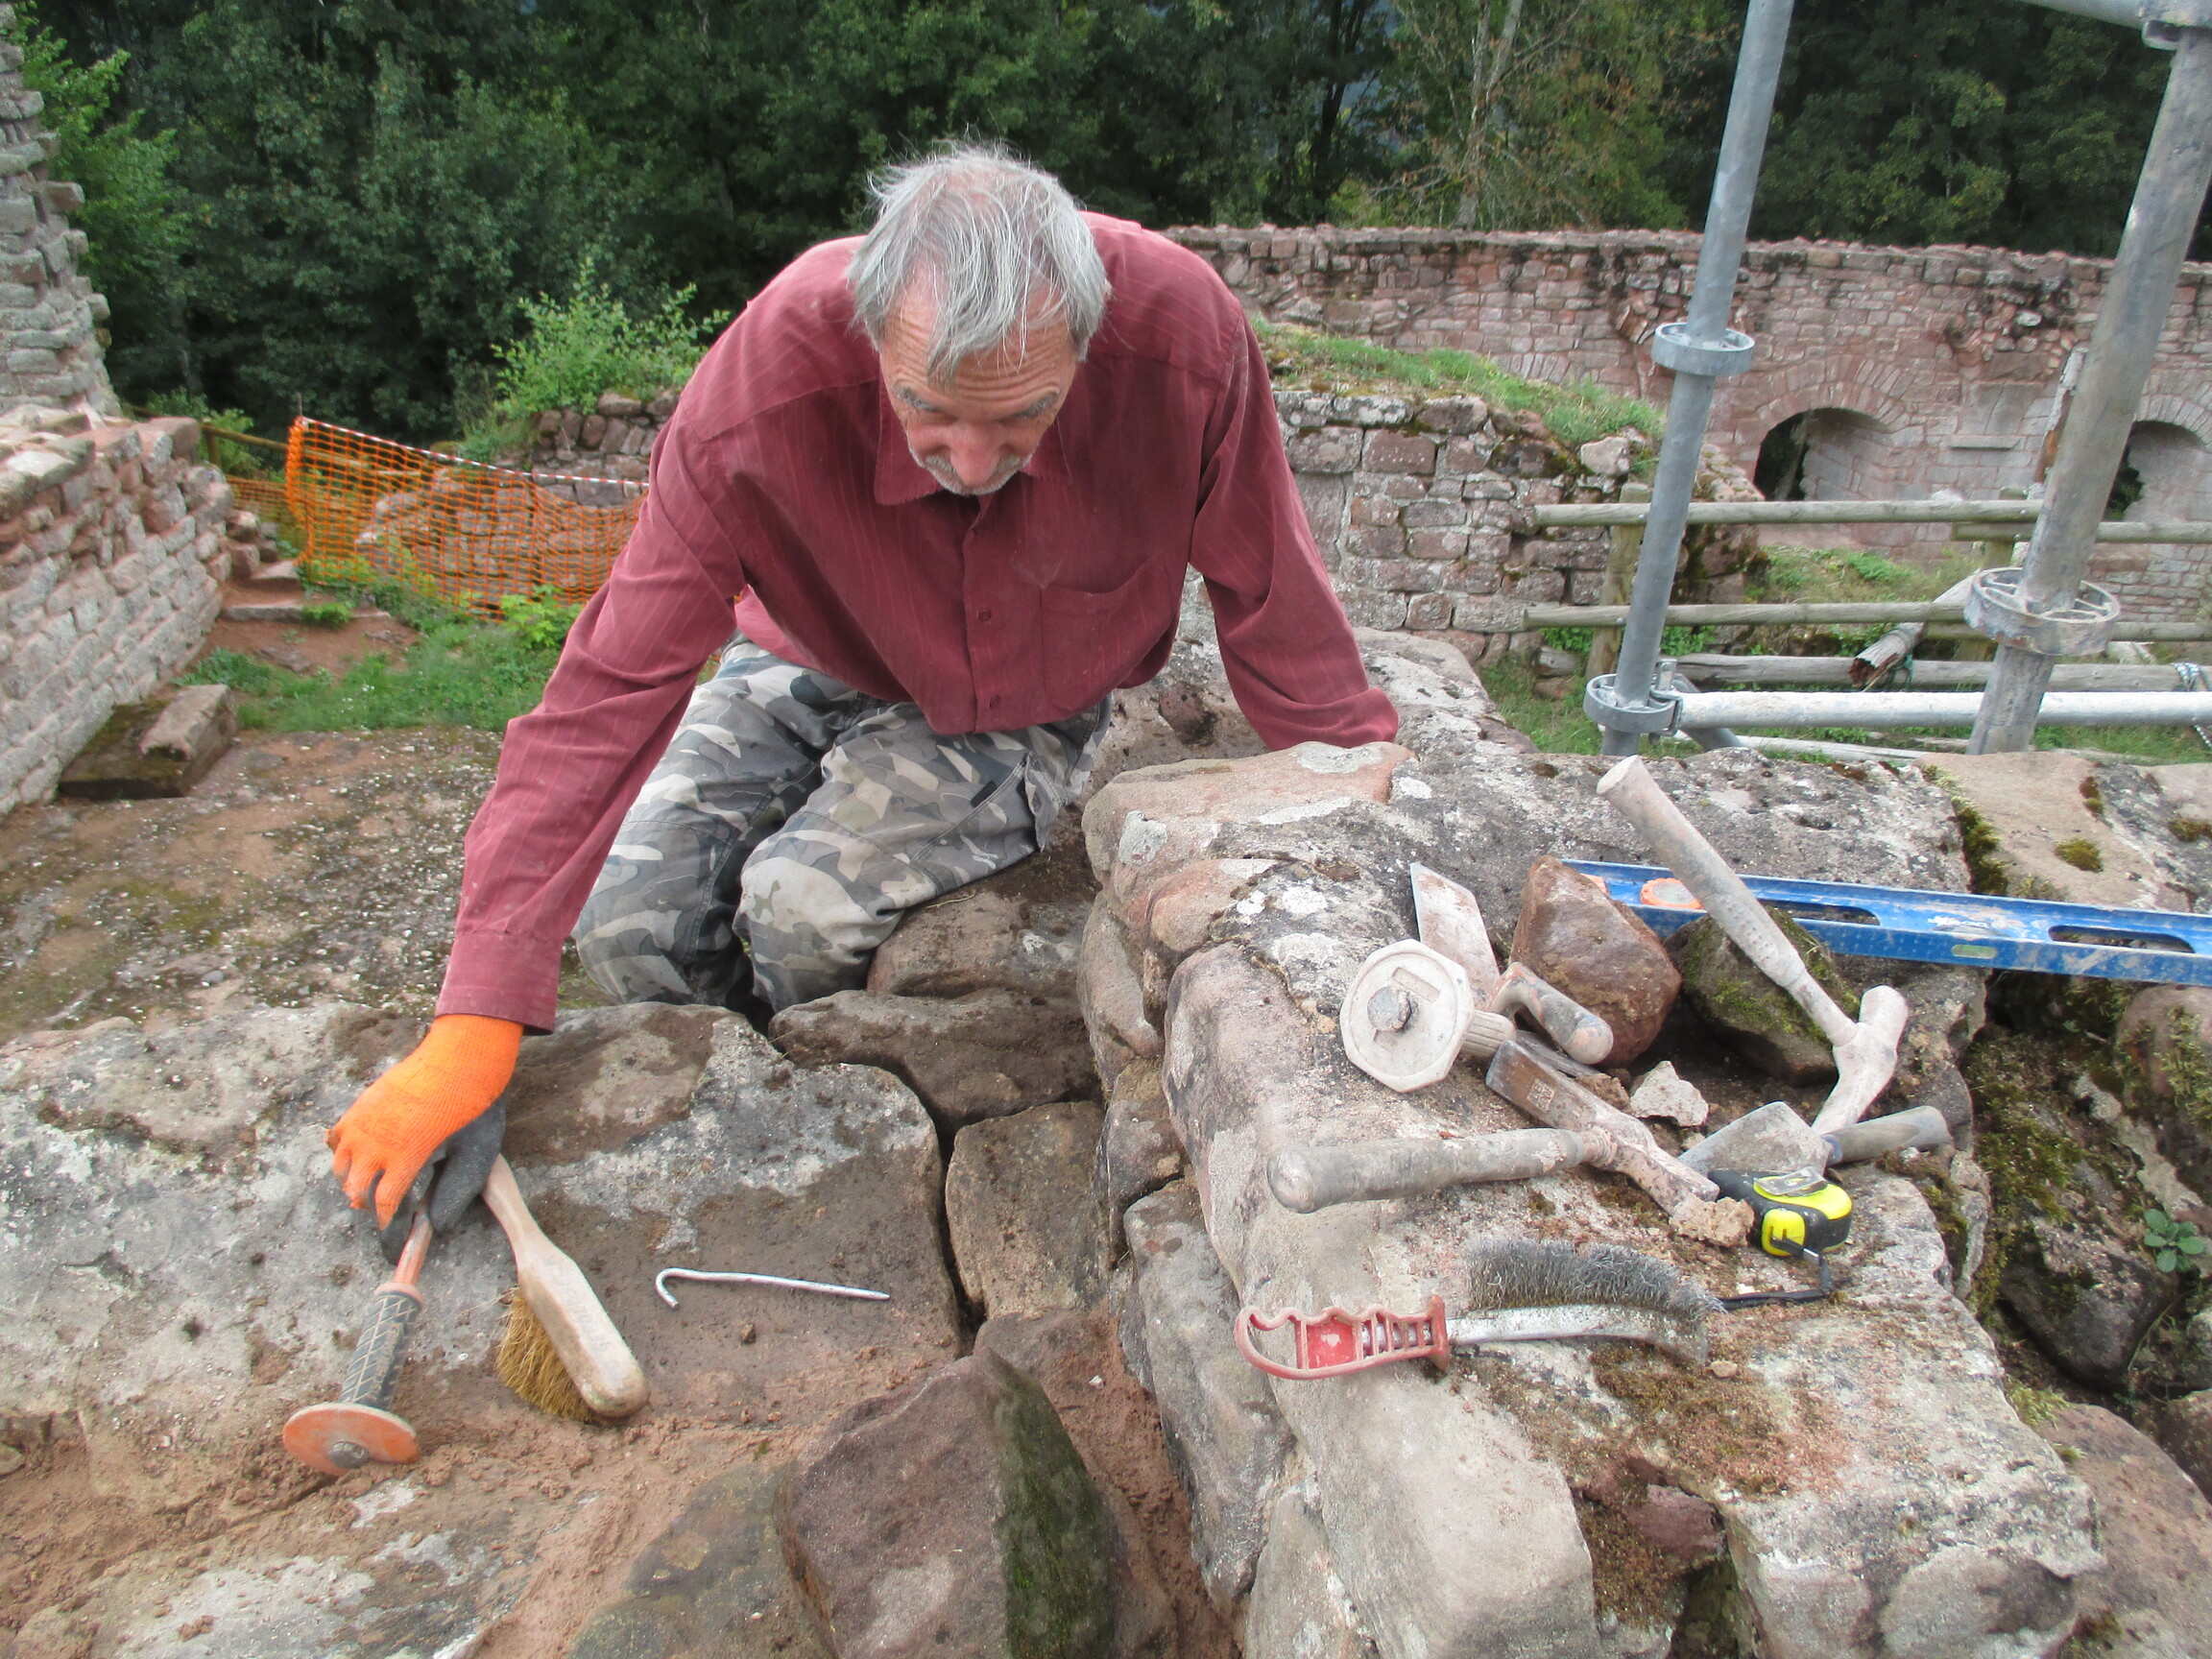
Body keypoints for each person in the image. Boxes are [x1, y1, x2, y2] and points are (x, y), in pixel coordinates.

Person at [326, 143, 1397, 1224]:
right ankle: (733, 1093)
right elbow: (608, 686)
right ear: (873, 329)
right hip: (808, 647)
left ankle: (843, 1120)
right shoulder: (763, 382)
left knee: (803, 912)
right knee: (624, 919)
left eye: (1020, 416)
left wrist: (1359, 796)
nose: (971, 463)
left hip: (1023, 690)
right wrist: (475, 1017)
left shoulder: (1185, 339)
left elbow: (1271, 580)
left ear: (1087, 339)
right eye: (929, 408)